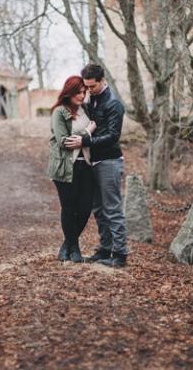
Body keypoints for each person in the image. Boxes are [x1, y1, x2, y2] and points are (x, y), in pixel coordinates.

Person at [65, 64, 127, 267]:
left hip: (109, 162)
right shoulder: (93, 99)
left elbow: (112, 136)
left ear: (102, 80)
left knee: (112, 209)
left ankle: (119, 255)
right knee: (99, 209)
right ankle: (105, 250)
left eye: (92, 86)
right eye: (87, 87)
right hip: (94, 161)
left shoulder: (113, 103)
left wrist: (85, 141)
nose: (88, 91)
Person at [48, 76, 97, 263]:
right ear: (69, 91)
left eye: (84, 92)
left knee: (85, 208)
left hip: (85, 164)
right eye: (78, 92)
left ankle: (66, 246)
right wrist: (87, 133)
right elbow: (64, 142)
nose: (82, 95)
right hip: (64, 166)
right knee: (69, 208)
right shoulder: (59, 112)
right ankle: (74, 250)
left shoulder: (86, 109)